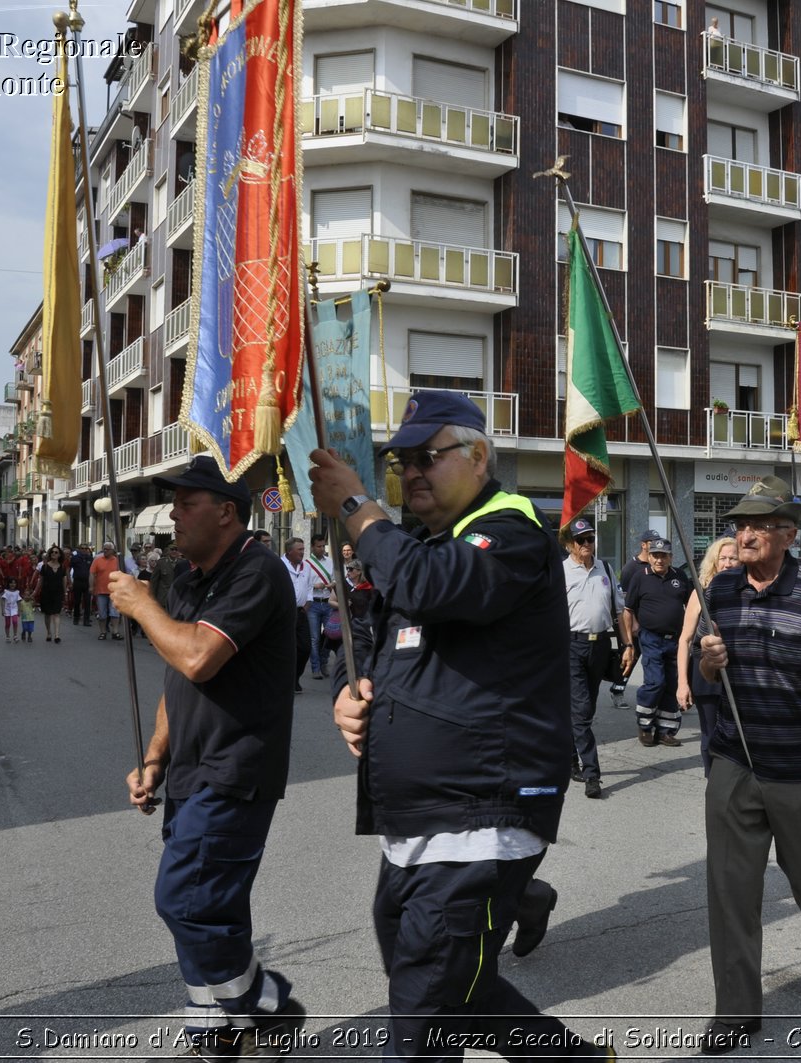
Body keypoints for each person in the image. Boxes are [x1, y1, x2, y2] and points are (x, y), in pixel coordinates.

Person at [309, 390, 607, 1063]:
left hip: (482, 816)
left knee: (423, 1010)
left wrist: (357, 505)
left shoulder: (512, 529)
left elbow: (429, 587)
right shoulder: (416, 543)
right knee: (459, 993)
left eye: (426, 456)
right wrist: (348, 693)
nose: (411, 472)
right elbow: (364, 638)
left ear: (477, 455)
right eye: (400, 462)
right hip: (416, 822)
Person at [111, 455, 303, 1058]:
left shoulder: (257, 571)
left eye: (186, 502)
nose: (174, 513)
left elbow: (197, 657)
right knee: (217, 907)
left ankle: (266, 1002)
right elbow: (181, 682)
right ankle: (212, 1026)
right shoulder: (192, 578)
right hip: (192, 768)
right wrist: (155, 759)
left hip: (236, 766)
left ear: (226, 511)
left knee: (184, 900)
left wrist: (142, 606)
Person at [694, 476, 801, 1052]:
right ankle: (737, 1010)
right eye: (739, 523)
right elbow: (701, 675)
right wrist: (710, 664)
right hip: (734, 761)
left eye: (757, 524)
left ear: (788, 532)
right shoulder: (721, 590)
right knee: (730, 889)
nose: (743, 533)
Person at [561, 516, 622, 800]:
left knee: (586, 710)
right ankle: (592, 775)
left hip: (600, 647)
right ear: (570, 545)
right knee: (582, 712)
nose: (587, 544)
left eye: (590, 539)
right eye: (581, 540)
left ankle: (572, 756)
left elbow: (619, 610)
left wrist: (629, 644)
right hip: (571, 646)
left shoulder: (605, 569)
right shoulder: (561, 572)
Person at [622, 537, 693, 747]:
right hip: (651, 638)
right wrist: (629, 641)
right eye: (655, 555)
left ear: (671, 557)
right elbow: (628, 610)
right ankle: (645, 726)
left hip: (676, 640)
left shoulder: (680, 576)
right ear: (649, 556)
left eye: (664, 556)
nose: (659, 560)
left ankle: (666, 731)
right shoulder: (639, 576)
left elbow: (691, 605)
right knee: (655, 682)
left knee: (672, 684)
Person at [676, 537, 737, 776]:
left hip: (738, 672)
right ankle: (714, 783)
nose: (728, 563)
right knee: (711, 733)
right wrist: (682, 683)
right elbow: (685, 639)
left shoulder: (748, 590)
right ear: (714, 561)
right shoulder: (701, 591)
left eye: (733, 558)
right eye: (723, 558)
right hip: (705, 674)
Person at [279, 538, 312, 693]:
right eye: (299, 549)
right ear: (289, 551)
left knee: (305, 648)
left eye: (303, 549)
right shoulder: (279, 565)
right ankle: (285, 680)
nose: (302, 552)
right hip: (284, 614)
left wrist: (307, 605)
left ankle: (295, 677)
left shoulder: (306, 567)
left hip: (301, 613)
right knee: (286, 648)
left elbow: (309, 586)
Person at [305, 533, 335, 680]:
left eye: (323, 546)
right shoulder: (306, 563)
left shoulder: (330, 562)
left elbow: (336, 579)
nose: (322, 549)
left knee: (329, 636)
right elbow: (303, 585)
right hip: (314, 605)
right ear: (312, 547)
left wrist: (332, 584)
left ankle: (324, 663)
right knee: (314, 638)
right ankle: (315, 667)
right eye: (319, 546)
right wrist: (314, 586)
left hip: (329, 602)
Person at [90, 542, 122, 640]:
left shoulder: (117, 561)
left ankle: (115, 632)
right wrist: (91, 586)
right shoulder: (97, 560)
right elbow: (91, 573)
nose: (105, 551)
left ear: (112, 551)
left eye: (108, 549)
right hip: (101, 591)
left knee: (114, 613)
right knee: (102, 613)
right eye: (104, 548)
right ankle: (103, 632)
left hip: (114, 591)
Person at [37, 546, 68, 643]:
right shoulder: (45, 567)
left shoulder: (62, 567)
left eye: (56, 552)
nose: (54, 554)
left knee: (56, 613)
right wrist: (34, 592)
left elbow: (64, 580)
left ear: (59, 555)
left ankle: (57, 635)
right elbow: (40, 581)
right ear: (50, 554)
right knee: (47, 614)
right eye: (52, 552)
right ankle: (49, 632)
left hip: (58, 593)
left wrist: (65, 592)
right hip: (46, 592)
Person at [69, 544, 94, 626]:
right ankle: (76, 618)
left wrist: (93, 584)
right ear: (79, 549)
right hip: (77, 581)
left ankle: (86, 620)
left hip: (87, 582)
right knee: (77, 601)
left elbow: (93, 572)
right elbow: (68, 569)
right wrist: (70, 581)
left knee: (87, 602)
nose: (84, 550)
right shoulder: (75, 558)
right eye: (82, 548)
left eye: (85, 548)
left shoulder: (90, 558)